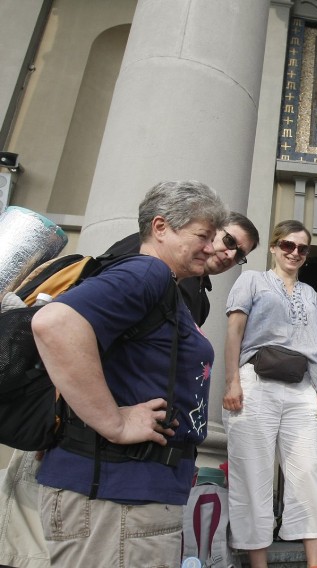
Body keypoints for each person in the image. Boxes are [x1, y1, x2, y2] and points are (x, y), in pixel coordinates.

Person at [30, 180, 228, 567]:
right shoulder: (147, 273)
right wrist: (114, 422)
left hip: (131, 497)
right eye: (202, 235)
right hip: (116, 499)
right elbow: (54, 324)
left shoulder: (166, 286)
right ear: (160, 228)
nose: (212, 247)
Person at [223, 219, 317, 568]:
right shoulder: (252, 280)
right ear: (273, 247)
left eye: (302, 248)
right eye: (287, 245)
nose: (294, 253)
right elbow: (234, 331)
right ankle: (259, 564)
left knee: (308, 475)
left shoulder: (311, 294)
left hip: (301, 388)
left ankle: (314, 564)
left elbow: (316, 347)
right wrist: (231, 381)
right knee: (253, 474)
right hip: (255, 383)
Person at [102, 211, 260, 325]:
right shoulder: (153, 245)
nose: (231, 255)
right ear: (213, 229)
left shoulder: (203, 303)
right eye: (230, 241)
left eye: (239, 255)